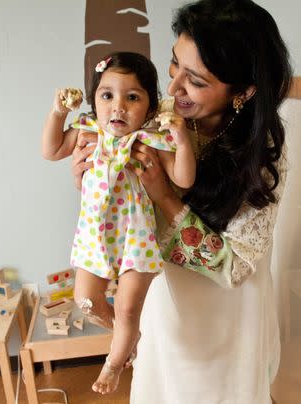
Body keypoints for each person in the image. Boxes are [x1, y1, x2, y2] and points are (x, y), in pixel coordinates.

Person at [71, 0, 292, 402]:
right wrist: (91, 182)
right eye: (175, 65)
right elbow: (127, 207)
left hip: (226, 318)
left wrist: (164, 195)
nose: (172, 88)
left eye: (195, 80)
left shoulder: (260, 157)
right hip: (166, 301)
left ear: (242, 91)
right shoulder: (159, 117)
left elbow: (235, 266)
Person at [41, 51, 196, 394]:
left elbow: (183, 180)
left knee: (127, 307)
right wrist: (58, 112)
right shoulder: (87, 133)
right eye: (107, 95)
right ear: (94, 100)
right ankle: (128, 335)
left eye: (132, 97)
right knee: (86, 300)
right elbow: (51, 150)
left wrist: (182, 141)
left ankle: (113, 365)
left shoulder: (150, 139)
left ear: (151, 108)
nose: (118, 106)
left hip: (137, 238)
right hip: (94, 237)